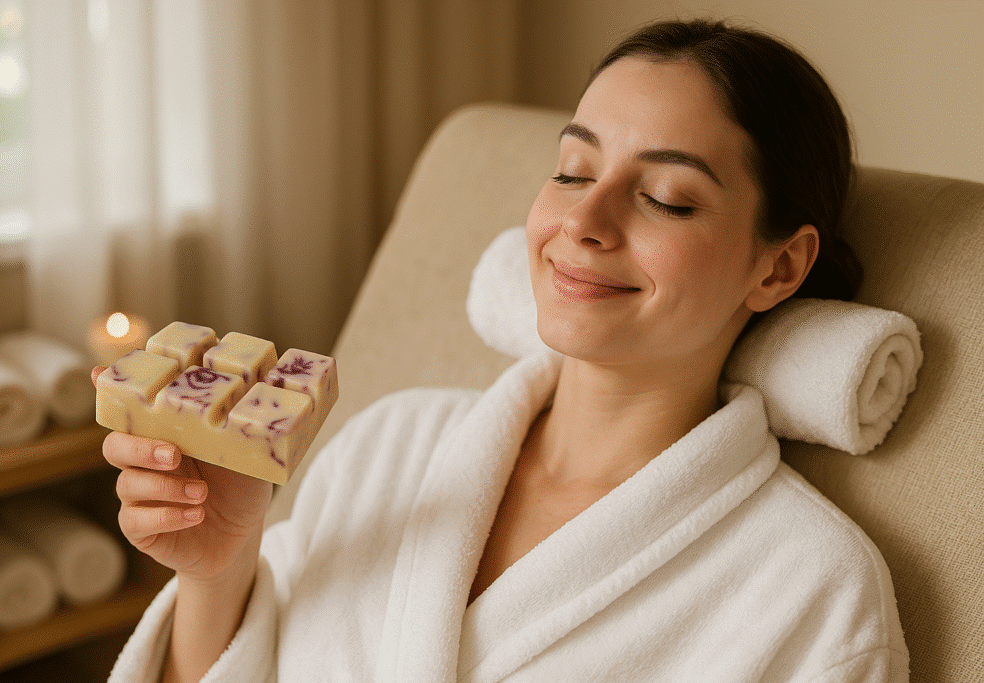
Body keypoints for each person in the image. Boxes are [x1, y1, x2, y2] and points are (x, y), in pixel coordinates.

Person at [100, 19, 908, 683]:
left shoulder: (813, 589)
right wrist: (217, 569)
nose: (583, 219)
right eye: (571, 170)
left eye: (665, 197)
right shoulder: (393, 442)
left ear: (778, 266)